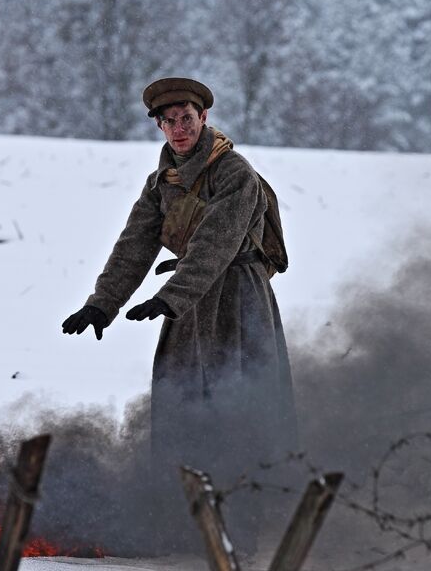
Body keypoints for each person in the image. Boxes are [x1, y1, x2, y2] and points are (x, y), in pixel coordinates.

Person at [61, 77, 298, 553]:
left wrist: (170, 298)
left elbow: (215, 245)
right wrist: (102, 303)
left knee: (238, 409)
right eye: (167, 121)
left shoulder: (235, 173)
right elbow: (135, 243)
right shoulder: (162, 181)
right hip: (187, 304)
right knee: (181, 406)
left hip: (236, 301)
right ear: (159, 126)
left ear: (203, 117)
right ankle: (182, 524)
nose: (177, 128)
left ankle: (242, 532)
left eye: (186, 118)